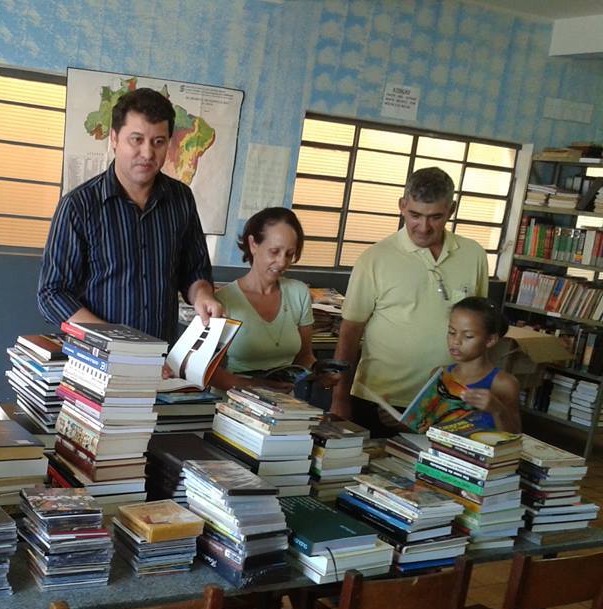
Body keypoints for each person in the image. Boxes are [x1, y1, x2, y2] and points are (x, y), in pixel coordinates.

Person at [37, 88, 222, 345]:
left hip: (161, 359)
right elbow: (52, 293)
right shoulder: (79, 205)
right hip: (96, 359)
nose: (147, 154)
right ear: (114, 138)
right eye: (136, 139)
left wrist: (203, 295)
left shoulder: (181, 199)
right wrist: (115, 341)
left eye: (158, 142)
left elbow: (193, 270)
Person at [330, 166, 490, 437]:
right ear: (402, 206)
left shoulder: (473, 254)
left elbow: (479, 328)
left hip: (448, 401)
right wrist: (339, 399)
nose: (424, 227)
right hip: (381, 401)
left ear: (451, 210)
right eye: (415, 215)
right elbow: (349, 332)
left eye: (435, 217)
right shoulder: (375, 259)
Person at [210, 207, 314, 391]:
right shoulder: (224, 301)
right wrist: (261, 385)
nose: (282, 262)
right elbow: (207, 371)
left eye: (289, 254)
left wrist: (321, 373)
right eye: (274, 251)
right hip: (237, 402)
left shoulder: (299, 293)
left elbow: (305, 357)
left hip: (285, 405)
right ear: (253, 244)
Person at [443, 296, 521, 432]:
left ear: (490, 340)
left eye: (468, 336)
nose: (456, 341)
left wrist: (497, 409)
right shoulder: (440, 375)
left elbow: (514, 436)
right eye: (452, 332)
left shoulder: (504, 384)